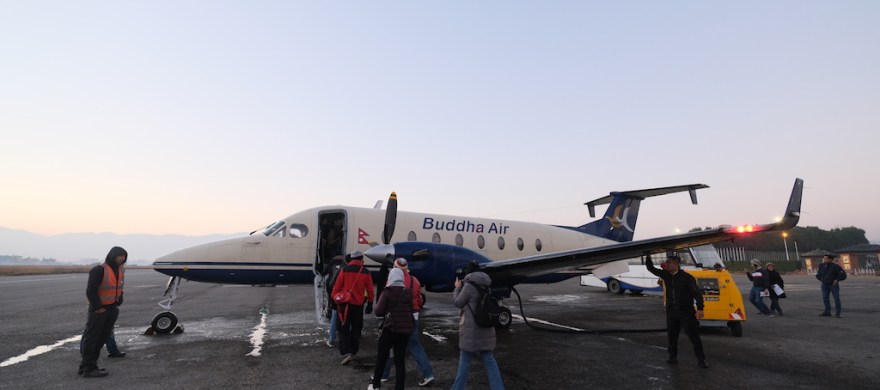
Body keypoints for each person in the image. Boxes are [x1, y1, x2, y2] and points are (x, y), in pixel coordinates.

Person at [379, 258, 435, 386]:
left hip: (397, 318)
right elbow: (420, 300)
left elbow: (387, 298)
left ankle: (383, 374)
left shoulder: (393, 280)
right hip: (413, 316)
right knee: (415, 345)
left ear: (395, 267)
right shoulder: (415, 280)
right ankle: (428, 374)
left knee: (389, 344)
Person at [646, 255, 708, 369]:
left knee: (694, 336)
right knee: (672, 336)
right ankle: (672, 357)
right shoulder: (666, 275)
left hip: (686, 312)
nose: (666, 265)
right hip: (672, 312)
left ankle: (701, 360)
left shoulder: (687, 277)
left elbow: (697, 293)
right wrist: (647, 257)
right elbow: (651, 269)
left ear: (675, 264)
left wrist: (700, 308)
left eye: (668, 263)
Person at [451, 261, 504, 390]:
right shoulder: (486, 285)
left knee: (464, 362)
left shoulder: (469, 286)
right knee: (489, 360)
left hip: (472, 332)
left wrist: (457, 288)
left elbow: (458, 302)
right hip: (486, 327)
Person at [78, 246, 126, 378]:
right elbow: (90, 291)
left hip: (111, 308)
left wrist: (119, 300)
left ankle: (88, 365)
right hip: (99, 310)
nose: (122, 258)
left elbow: (119, 286)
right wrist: (98, 307)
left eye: (124, 256)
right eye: (120, 255)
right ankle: (89, 368)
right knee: (92, 338)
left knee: (101, 339)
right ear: (112, 255)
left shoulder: (120, 270)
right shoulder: (99, 270)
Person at [368, 268, 414, 390]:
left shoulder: (387, 292)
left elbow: (378, 311)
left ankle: (376, 385)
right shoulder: (408, 292)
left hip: (390, 328)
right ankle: (399, 388)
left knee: (382, 358)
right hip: (404, 331)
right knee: (400, 362)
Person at [331, 250, 375, 365]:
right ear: (361, 259)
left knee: (343, 328)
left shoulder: (344, 270)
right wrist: (370, 303)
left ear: (351, 259)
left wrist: (334, 300)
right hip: (358, 305)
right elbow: (370, 289)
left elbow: (337, 286)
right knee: (356, 329)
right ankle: (354, 351)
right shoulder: (366, 272)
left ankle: (346, 353)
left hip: (345, 305)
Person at [323, 255, 347, 348]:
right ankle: (344, 339)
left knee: (333, 315)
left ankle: (332, 340)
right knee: (343, 316)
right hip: (342, 295)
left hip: (332, 292)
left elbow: (323, 273)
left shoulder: (331, 264)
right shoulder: (345, 267)